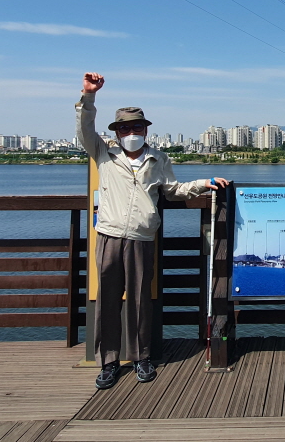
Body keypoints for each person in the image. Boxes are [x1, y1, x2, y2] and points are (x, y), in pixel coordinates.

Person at [76, 72, 229, 390]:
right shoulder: (103, 152)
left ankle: (142, 357)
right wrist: (88, 96)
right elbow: (84, 128)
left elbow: (172, 190)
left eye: (137, 127)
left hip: (143, 238)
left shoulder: (159, 159)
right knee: (107, 300)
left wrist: (204, 184)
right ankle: (109, 361)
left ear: (146, 130)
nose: (131, 132)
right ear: (116, 132)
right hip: (109, 236)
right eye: (125, 128)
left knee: (140, 300)